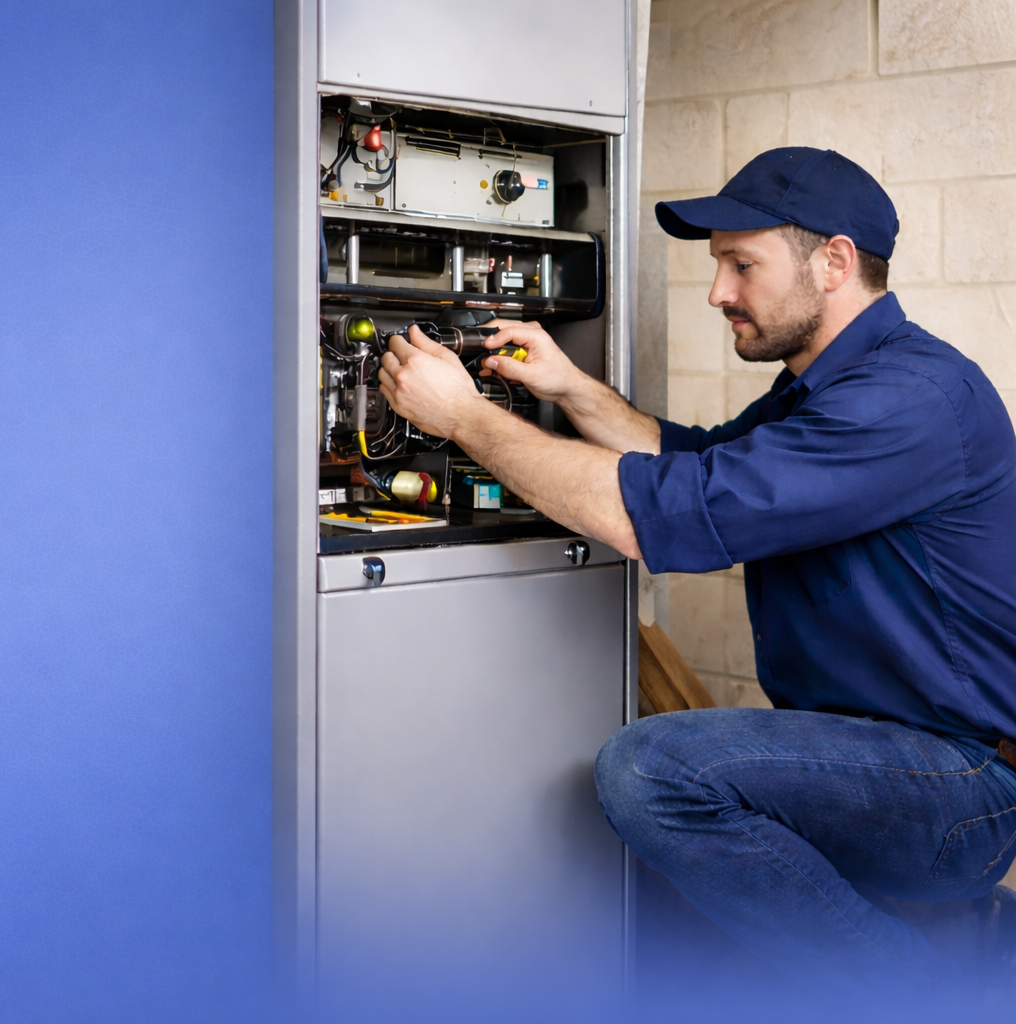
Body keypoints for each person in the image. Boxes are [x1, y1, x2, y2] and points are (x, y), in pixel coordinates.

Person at [376, 147, 1016, 991]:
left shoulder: (906, 400)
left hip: (960, 785)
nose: (719, 293)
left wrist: (464, 419)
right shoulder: (825, 386)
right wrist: (569, 388)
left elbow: (666, 516)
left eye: (741, 265)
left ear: (834, 261)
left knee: (653, 769)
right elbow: (699, 464)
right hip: (888, 755)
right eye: (720, 267)